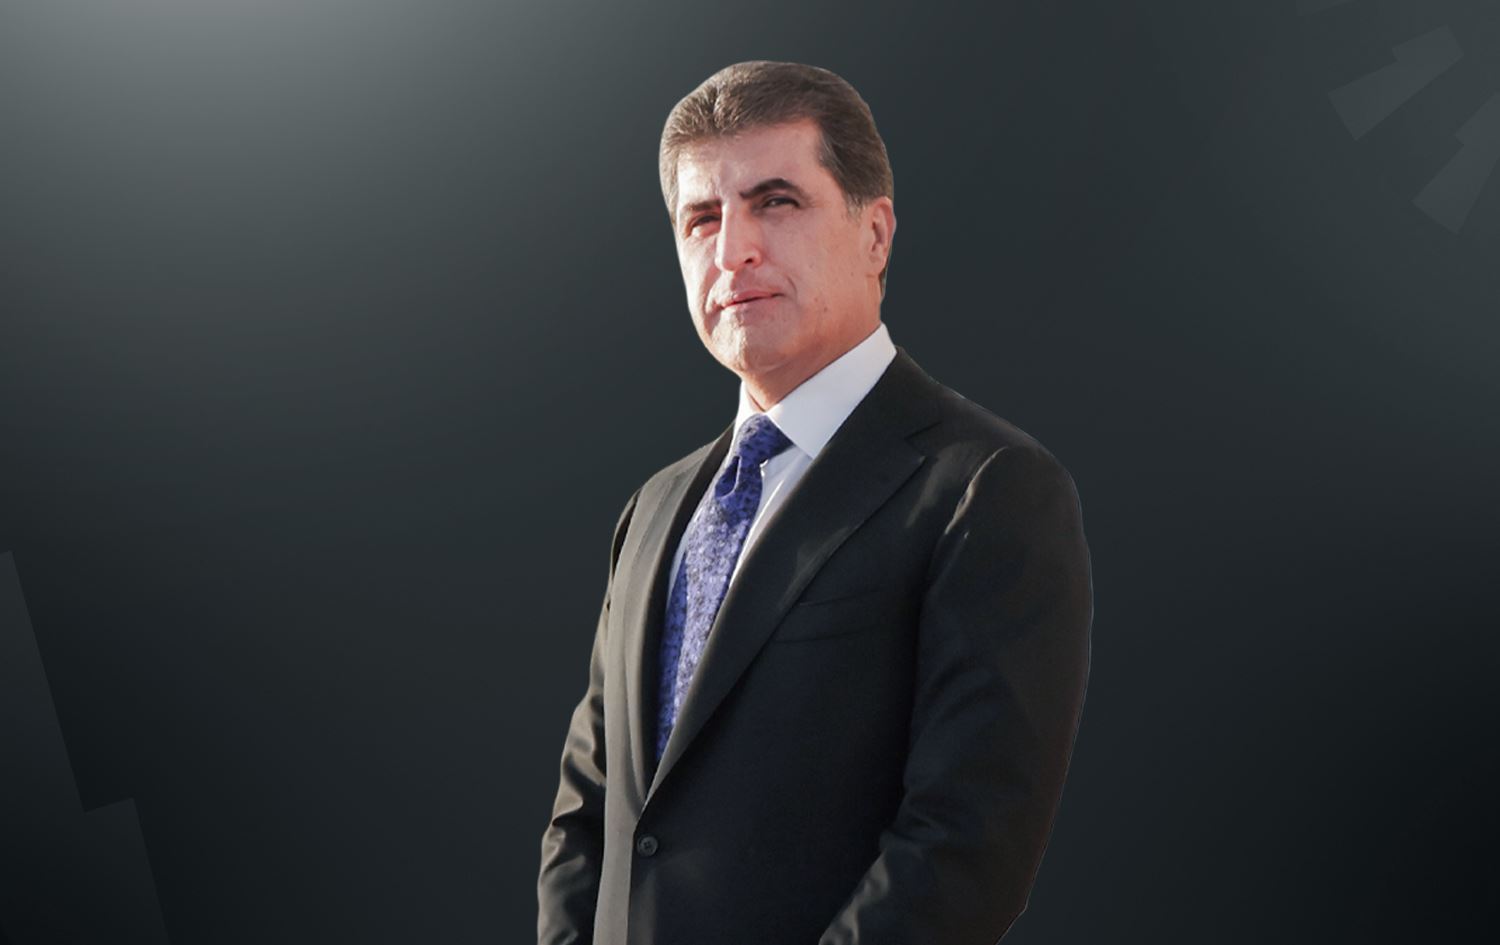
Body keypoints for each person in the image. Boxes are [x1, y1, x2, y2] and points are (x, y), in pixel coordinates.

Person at [537, 60, 1093, 945]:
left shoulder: (987, 490)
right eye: (702, 218)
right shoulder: (654, 508)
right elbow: (587, 815)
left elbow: (965, 848)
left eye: (776, 202)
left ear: (875, 233)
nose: (733, 250)